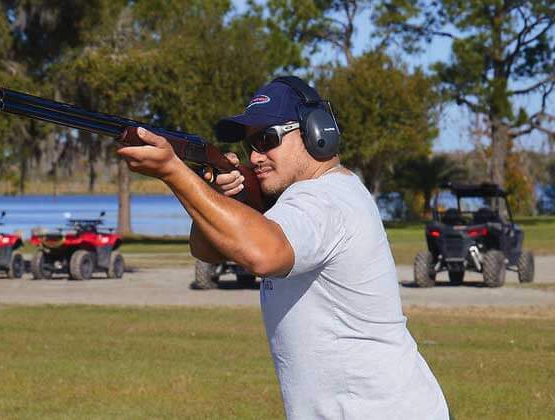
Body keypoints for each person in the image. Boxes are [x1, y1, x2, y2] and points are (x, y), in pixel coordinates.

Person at [117, 76, 450, 419]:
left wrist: (173, 171)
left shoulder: (325, 198)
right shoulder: (306, 199)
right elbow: (207, 249)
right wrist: (218, 193)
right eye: (250, 146)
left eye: (267, 139)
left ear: (316, 132)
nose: (257, 156)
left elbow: (263, 255)